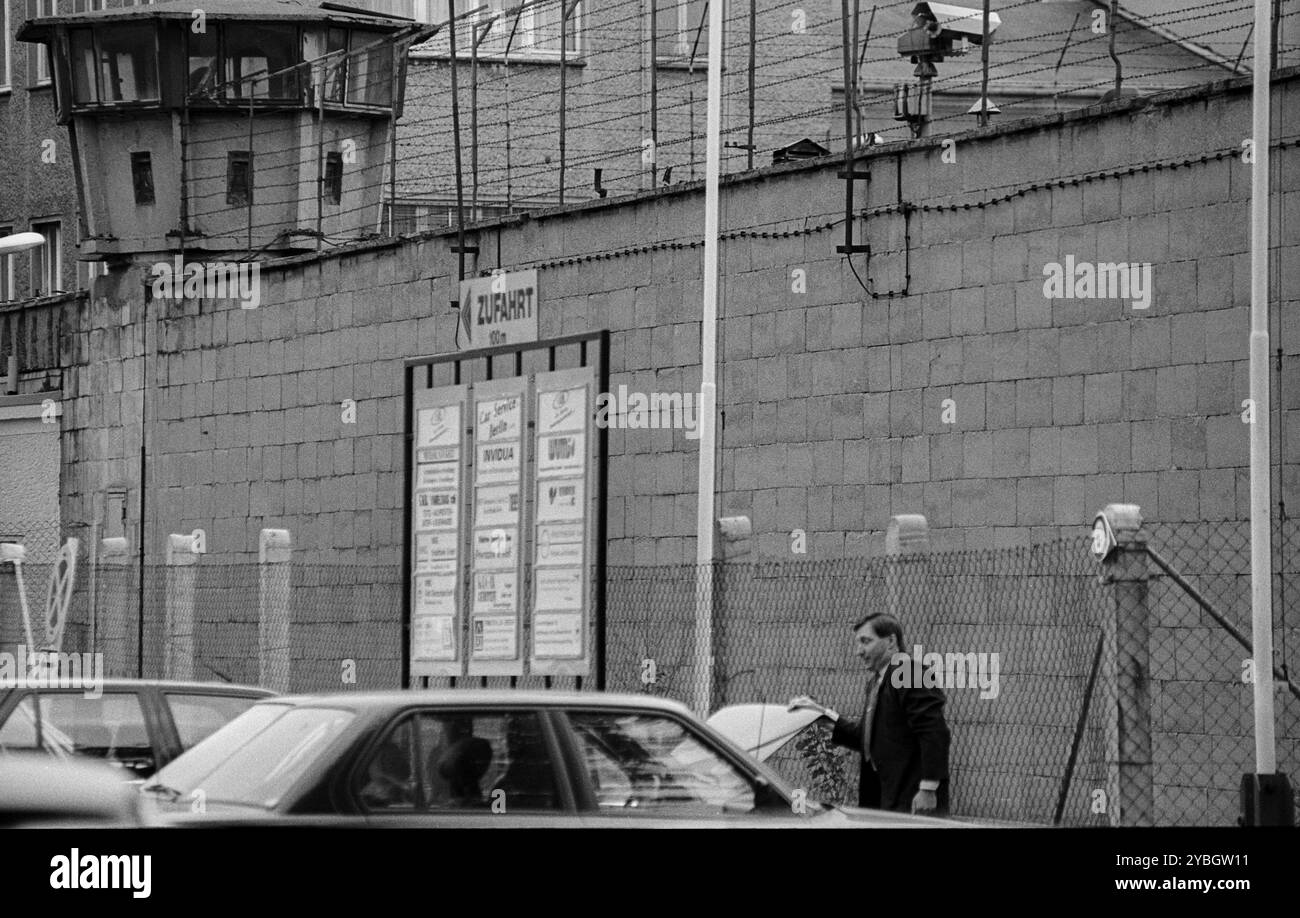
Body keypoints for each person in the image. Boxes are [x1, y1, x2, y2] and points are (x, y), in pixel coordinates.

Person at [790, 612, 951, 815]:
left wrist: (928, 788)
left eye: (866, 642)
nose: (859, 651)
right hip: (887, 800)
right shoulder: (877, 682)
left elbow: (933, 731)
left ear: (891, 641)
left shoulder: (909, 673)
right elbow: (868, 740)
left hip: (912, 800)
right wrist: (822, 715)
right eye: (857, 644)